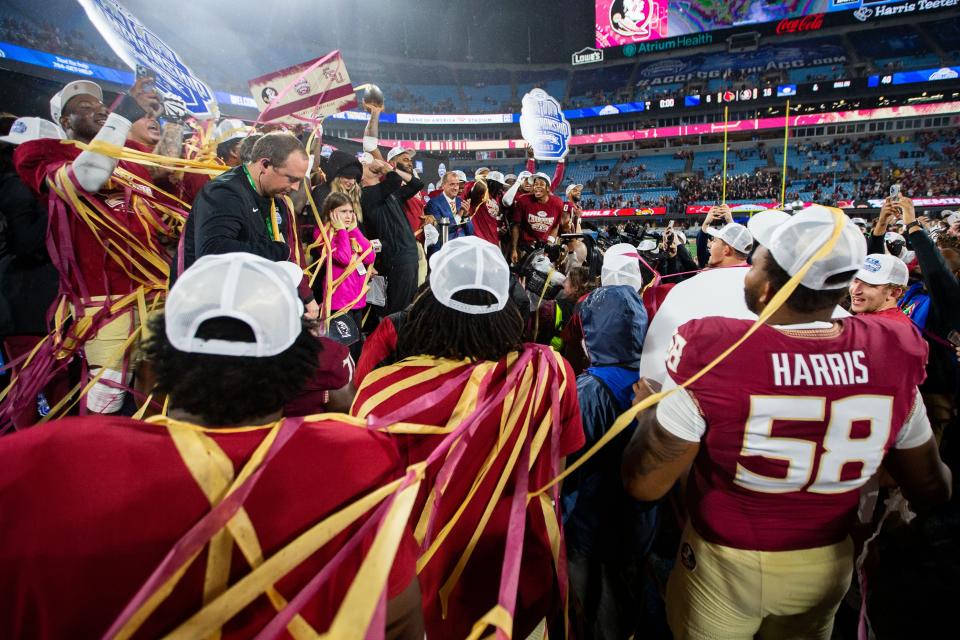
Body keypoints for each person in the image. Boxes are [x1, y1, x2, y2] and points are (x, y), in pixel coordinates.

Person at [0, 253, 423, 639]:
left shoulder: (39, 466)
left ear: (147, 376)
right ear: (301, 377)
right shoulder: (360, 461)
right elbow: (400, 619)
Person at [622, 207, 951, 640]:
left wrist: (650, 413)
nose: (746, 273)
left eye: (754, 262)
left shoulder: (715, 348)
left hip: (727, 563)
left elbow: (645, 483)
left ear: (768, 288)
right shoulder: (891, 348)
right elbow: (932, 488)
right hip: (828, 562)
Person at [351, 236, 585, 639]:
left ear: (427, 305)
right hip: (516, 585)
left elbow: (367, 519)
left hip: (419, 595)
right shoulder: (548, 372)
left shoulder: (381, 393)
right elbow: (554, 479)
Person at [12, 77, 167, 415]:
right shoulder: (40, 155)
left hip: (156, 289)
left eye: (100, 105)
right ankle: (96, 462)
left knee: (158, 392)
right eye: (84, 107)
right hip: (106, 300)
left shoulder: (131, 157)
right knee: (106, 398)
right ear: (64, 122)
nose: (98, 110)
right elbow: (89, 178)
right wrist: (123, 113)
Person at [561, 284, 654, 640]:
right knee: (628, 601)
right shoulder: (656, 377)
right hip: (639, 525)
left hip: (591, 527)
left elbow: (568, 469)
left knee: (592, 613)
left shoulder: (590, 390)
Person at [172, 131, 317, 317]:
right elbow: (214, 251)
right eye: (291, 178)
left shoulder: (273, 197)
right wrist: (278, 251)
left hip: (244, 306)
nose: (296, 187)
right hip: (210, 310)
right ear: (265, 165)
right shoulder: (224, 192)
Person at [0, 117, 64, 426]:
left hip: (34, 302)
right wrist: (59, 203)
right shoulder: (19, 187)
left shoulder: (18, 184)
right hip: (29, 303)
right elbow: (25, 244)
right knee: (32, 388)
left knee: (45, 387)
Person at [360, 156, 423, 315]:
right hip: (397, 258)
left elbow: (416, 184)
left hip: (408, 255)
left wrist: (392, 170)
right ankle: (394, 338)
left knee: (408, 305)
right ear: (361, 177)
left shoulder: (389, 193)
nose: (369, 165)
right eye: (364, 165)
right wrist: (385, 169)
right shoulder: (367, 194)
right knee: (399, 309)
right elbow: (394, 181)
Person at [317, 192, 375, 360]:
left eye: (350, 211)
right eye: (343, 212)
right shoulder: (322, 234)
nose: (348, 216)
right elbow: (343, 258)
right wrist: (342, 231)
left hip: (356, 301)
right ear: (331, 213)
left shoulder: (351, 231)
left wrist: (354, 230)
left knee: (356, 349)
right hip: (338, 303)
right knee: (343, 353)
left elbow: (370, 257)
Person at [507, 173, 565, 263]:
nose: (537, 187)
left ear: (548, 188)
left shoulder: (558, 203)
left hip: (544, 247)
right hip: (525, 246)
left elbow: (555, 225)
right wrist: (514, 249)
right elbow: (516, 226)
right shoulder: (523, 201)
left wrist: (549, 244)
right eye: (535, 184)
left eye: (541, 184)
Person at [849, 253, 912, 323]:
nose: (855, 290)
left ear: (893, 293)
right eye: (855, 281)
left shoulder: (884, 328)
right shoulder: (871, 318)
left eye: (869, 284)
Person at [424, 171, 473, 253]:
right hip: (443, 250)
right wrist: (460, 214)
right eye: (452, 184)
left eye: (457, 184)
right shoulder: (433, 203)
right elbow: (439, 231)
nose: (456, 188)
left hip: (461, 249)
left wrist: (466, 215)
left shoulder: (460, 202)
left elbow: (470, 231)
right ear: (443, 186)